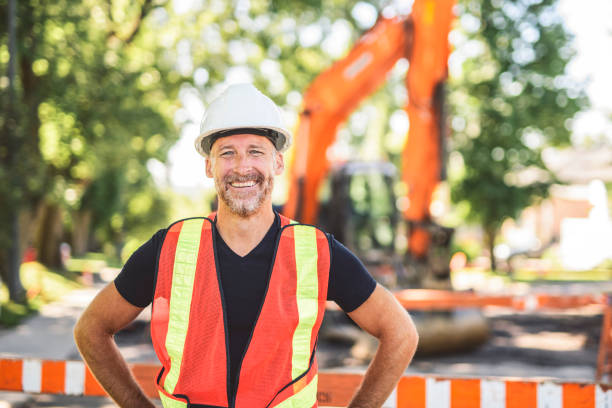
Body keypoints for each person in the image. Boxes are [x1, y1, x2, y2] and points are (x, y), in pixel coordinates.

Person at [74, 83, 418, 408]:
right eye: (227, 153)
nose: (242, 167)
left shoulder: (316, 252)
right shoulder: (170, 248)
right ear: (209, 166)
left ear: (277, 163)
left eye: (256, 151)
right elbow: (91, 329)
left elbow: (401, 334)